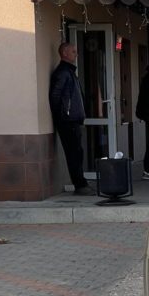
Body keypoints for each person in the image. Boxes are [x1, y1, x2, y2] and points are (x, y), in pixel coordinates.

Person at [49, 42, 95, 195]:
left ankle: (81, 183)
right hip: (67, 121)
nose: (77, 54)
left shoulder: (69, 72)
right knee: (74, 153)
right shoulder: (62, 73)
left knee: (78, 152)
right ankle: (80, 185)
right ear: (65, 53)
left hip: (73, 120)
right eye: (74, 52)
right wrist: (63, 115)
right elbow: (55, 96)